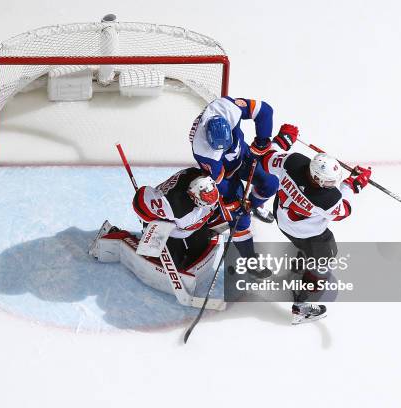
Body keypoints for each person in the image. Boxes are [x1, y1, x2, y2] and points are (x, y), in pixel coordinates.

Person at [260, 132, 372, 324]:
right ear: (317, 178)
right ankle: (301, 308)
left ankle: (300, 265)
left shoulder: (293, 161)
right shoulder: (325, 199)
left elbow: (267, 159)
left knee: (307, 249)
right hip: (307, 233)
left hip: (282, 219)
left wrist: (283, 139)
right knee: (324, 259)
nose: (333, 184)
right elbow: (343, 211)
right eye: (329, 181)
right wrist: (353, 184)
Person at [189, 96, 298, 260]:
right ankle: (249, 259)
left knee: (271, 184)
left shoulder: (227, 107)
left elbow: (264, 110)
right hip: (225, 175)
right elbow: (219, 182)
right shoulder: (204, 152)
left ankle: (255, 205)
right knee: (240, 220)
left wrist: (263, 142)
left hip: (244, 155)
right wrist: (234, 204)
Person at [88, 167, 223, 297]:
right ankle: (117, 236)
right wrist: (155, 224)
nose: (210, 205)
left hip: (189, 227)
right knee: (165, 263)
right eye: (206, 203)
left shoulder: (203, 178)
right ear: (193, 196)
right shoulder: (174, 205)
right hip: (168, 228)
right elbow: (140, 201)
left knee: (198, 251)